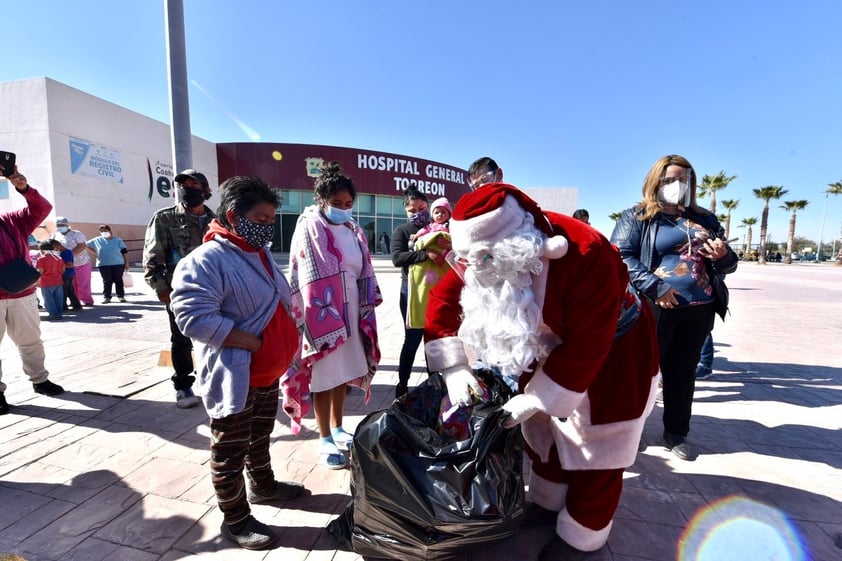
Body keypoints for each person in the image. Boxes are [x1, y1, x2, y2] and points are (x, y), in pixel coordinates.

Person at [424, 183, 659, 559]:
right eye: (473, 261)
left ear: (516, 243)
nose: (478, 270)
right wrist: (454, 369)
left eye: (487, 260)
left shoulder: (586, 252)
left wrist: (536, 396)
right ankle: (549, 503)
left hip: (616, 349)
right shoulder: (479, 256)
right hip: (545, 348)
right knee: (540, 434)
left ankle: (582, 535)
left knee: (597, 447)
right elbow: (442, 301)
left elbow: (588, 344)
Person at [170, 175, 305, 550]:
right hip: (236, 374)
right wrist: (255, 342)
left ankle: (264, 486)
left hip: (266, 374)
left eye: (270, 220)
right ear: (233, 215)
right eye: (260, 220)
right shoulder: (207, 259)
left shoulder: (255, 252)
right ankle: (235, 519)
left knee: (260, 436)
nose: (268, 227)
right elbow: (192, 317)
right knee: (230, 448)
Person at [610, 154, 738, 461]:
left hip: (699, 308)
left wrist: (723, 255)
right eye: (671, 180)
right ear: (656, 181)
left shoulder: (705, 219)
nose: (678, 186)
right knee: (643, 373)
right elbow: (621, 256)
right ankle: (630, 431)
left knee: (683, 372)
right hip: (653, 308)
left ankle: (677, 432)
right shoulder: (638, 217)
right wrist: (657, 287)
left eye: (684, 180)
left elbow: (728, 266)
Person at [282, 162, 382, 469]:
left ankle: (338, 428)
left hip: (350, 311)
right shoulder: (310, 226)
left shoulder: (353, 230)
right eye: (336, 204)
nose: (343, 209)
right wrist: (326, 311)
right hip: (322, 313)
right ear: (321, 200)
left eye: (349, 204)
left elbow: (361, 268)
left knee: (343, 374)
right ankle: (324, 438)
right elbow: (311, 274)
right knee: (325, 377)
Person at [142, 169, 215, 409]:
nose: (188, 189)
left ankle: (213, 380)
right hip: (180, 292)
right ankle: (183, 385)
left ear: (206, 191)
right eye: (183, 185)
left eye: (194, 185)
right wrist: (162, 289)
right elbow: (152, 258)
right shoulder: (165, 218)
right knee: (182, 340)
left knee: (215, 337)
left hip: (214, 291)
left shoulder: (218, 220)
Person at [0, 168, 66, 415]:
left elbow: (41, 209)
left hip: (21, 293)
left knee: (31, 341)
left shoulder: (11, 220)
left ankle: (40, 380)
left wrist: (23, 188)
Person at [390, 186, 437, 399]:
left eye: (422, 207)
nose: (418, 212)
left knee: (433, 341)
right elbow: (397, 258)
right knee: (412, 339)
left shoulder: (437, 228)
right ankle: (403, 384)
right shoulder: (402, 231)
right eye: (412, 209)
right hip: (410, 293)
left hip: (434, 292)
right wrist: (424, 254)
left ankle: (435, 384)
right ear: (406, 211)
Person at [405, 196, 452, 332]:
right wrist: (416, 238)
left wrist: (450, 243)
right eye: (437, 212)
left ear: (449, 214)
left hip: (445, 259)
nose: (440, 215)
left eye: (443, 212)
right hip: (428, 268)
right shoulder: (430, 226)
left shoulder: (451, 226)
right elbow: (422, 233)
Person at [51, 216, 94, 306]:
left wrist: (69, 255)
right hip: (65, 264)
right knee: (71, 284)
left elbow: (82, 246)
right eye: (58, 225)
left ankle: (87, 300)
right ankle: (75, 301)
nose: (60, 226)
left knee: (83, 283)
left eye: (62, 224)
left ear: (67, 224)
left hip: (81, 262)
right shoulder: (55, 235)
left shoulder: (76, 234)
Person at [86, 224, 129, 303]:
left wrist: (126, 263)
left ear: (110, 230)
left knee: (118, 280)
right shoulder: (97, 240)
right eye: (101, 231)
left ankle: (121, 296)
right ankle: (107, 297)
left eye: (105, 230)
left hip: (118, 264)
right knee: (107, 281)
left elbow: (124, 252)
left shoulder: (117, 240)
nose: (104, 232)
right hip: (103, 264)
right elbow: (85, 245)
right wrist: (95, 251)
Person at [34, 241, 65, 320]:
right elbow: (63, 270)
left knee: (49, 299)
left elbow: (40, 272)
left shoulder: (41, 259)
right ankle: (59, 313)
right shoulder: (59, 258)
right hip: (58, 281)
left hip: (46, 282)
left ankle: (54, 314)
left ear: (42, 250)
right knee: (59, 298)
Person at [50, 239, 82, 311]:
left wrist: (58, 265)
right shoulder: (63, 252)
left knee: (63, 292)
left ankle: (64, 307)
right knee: (70, 291)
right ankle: (77, 306)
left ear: (57, 245)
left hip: (66, 275)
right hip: (68, 274)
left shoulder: (66, 253)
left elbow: (70, 265)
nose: (54, 250)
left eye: (53, 248)